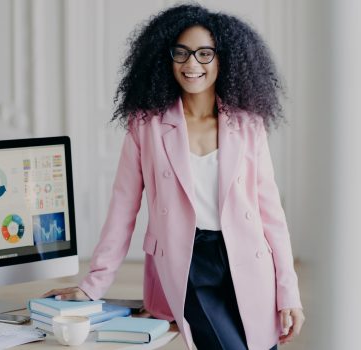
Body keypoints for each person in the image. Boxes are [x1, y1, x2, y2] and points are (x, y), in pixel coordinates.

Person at [44, 4, 304, 349]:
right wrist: (93, 284)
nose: (191, 64)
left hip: (248, 261)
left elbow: (272, 214)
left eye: (204, 53)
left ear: (224, 59)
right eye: (181, 53)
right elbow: (122, 210)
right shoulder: (145, 125)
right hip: (187, 265)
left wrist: (289, 293)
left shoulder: (247, 125)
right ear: (166, 57)